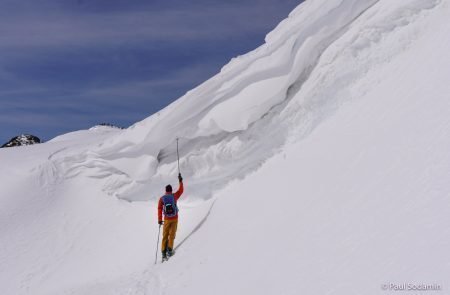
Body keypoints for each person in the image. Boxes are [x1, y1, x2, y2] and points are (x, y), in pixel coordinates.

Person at [158, 173, 184, 259]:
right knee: (172, 234)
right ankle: (169, 250)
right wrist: (180, 181)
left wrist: (159, 219)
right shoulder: (174, 196)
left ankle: (163, 252)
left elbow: (159, 208)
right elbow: (181, 190)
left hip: (166, 219)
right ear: (171, 190)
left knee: (165, 235)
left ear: (165, 190)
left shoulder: (162, 198)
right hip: (175, 218)